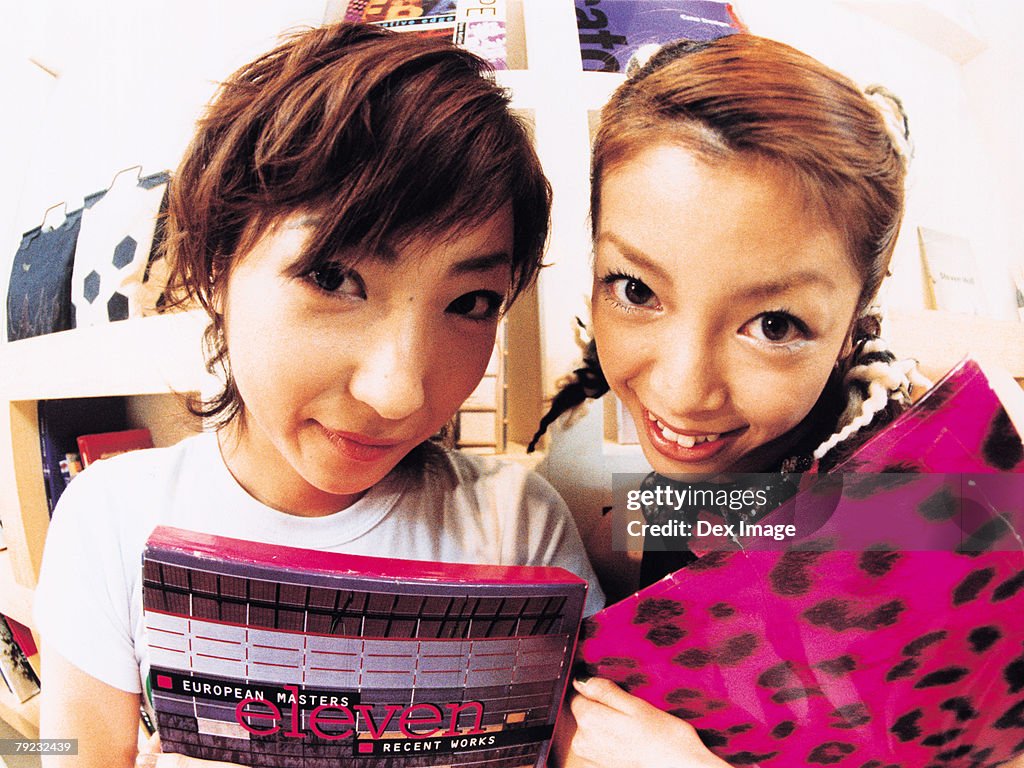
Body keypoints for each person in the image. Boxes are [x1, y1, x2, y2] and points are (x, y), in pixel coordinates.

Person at [33, 22, 603, 767]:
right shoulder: (110, 518)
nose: (399, 392)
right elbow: (64, 747)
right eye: (334, 278)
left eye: (469, 303)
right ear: (216, 266)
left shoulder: (515, 526)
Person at [541, 34, 926, 767]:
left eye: (774, 325)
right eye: (637, 290)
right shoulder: (680, 491)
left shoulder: (927, 528)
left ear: (854, 326)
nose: (682, 393)